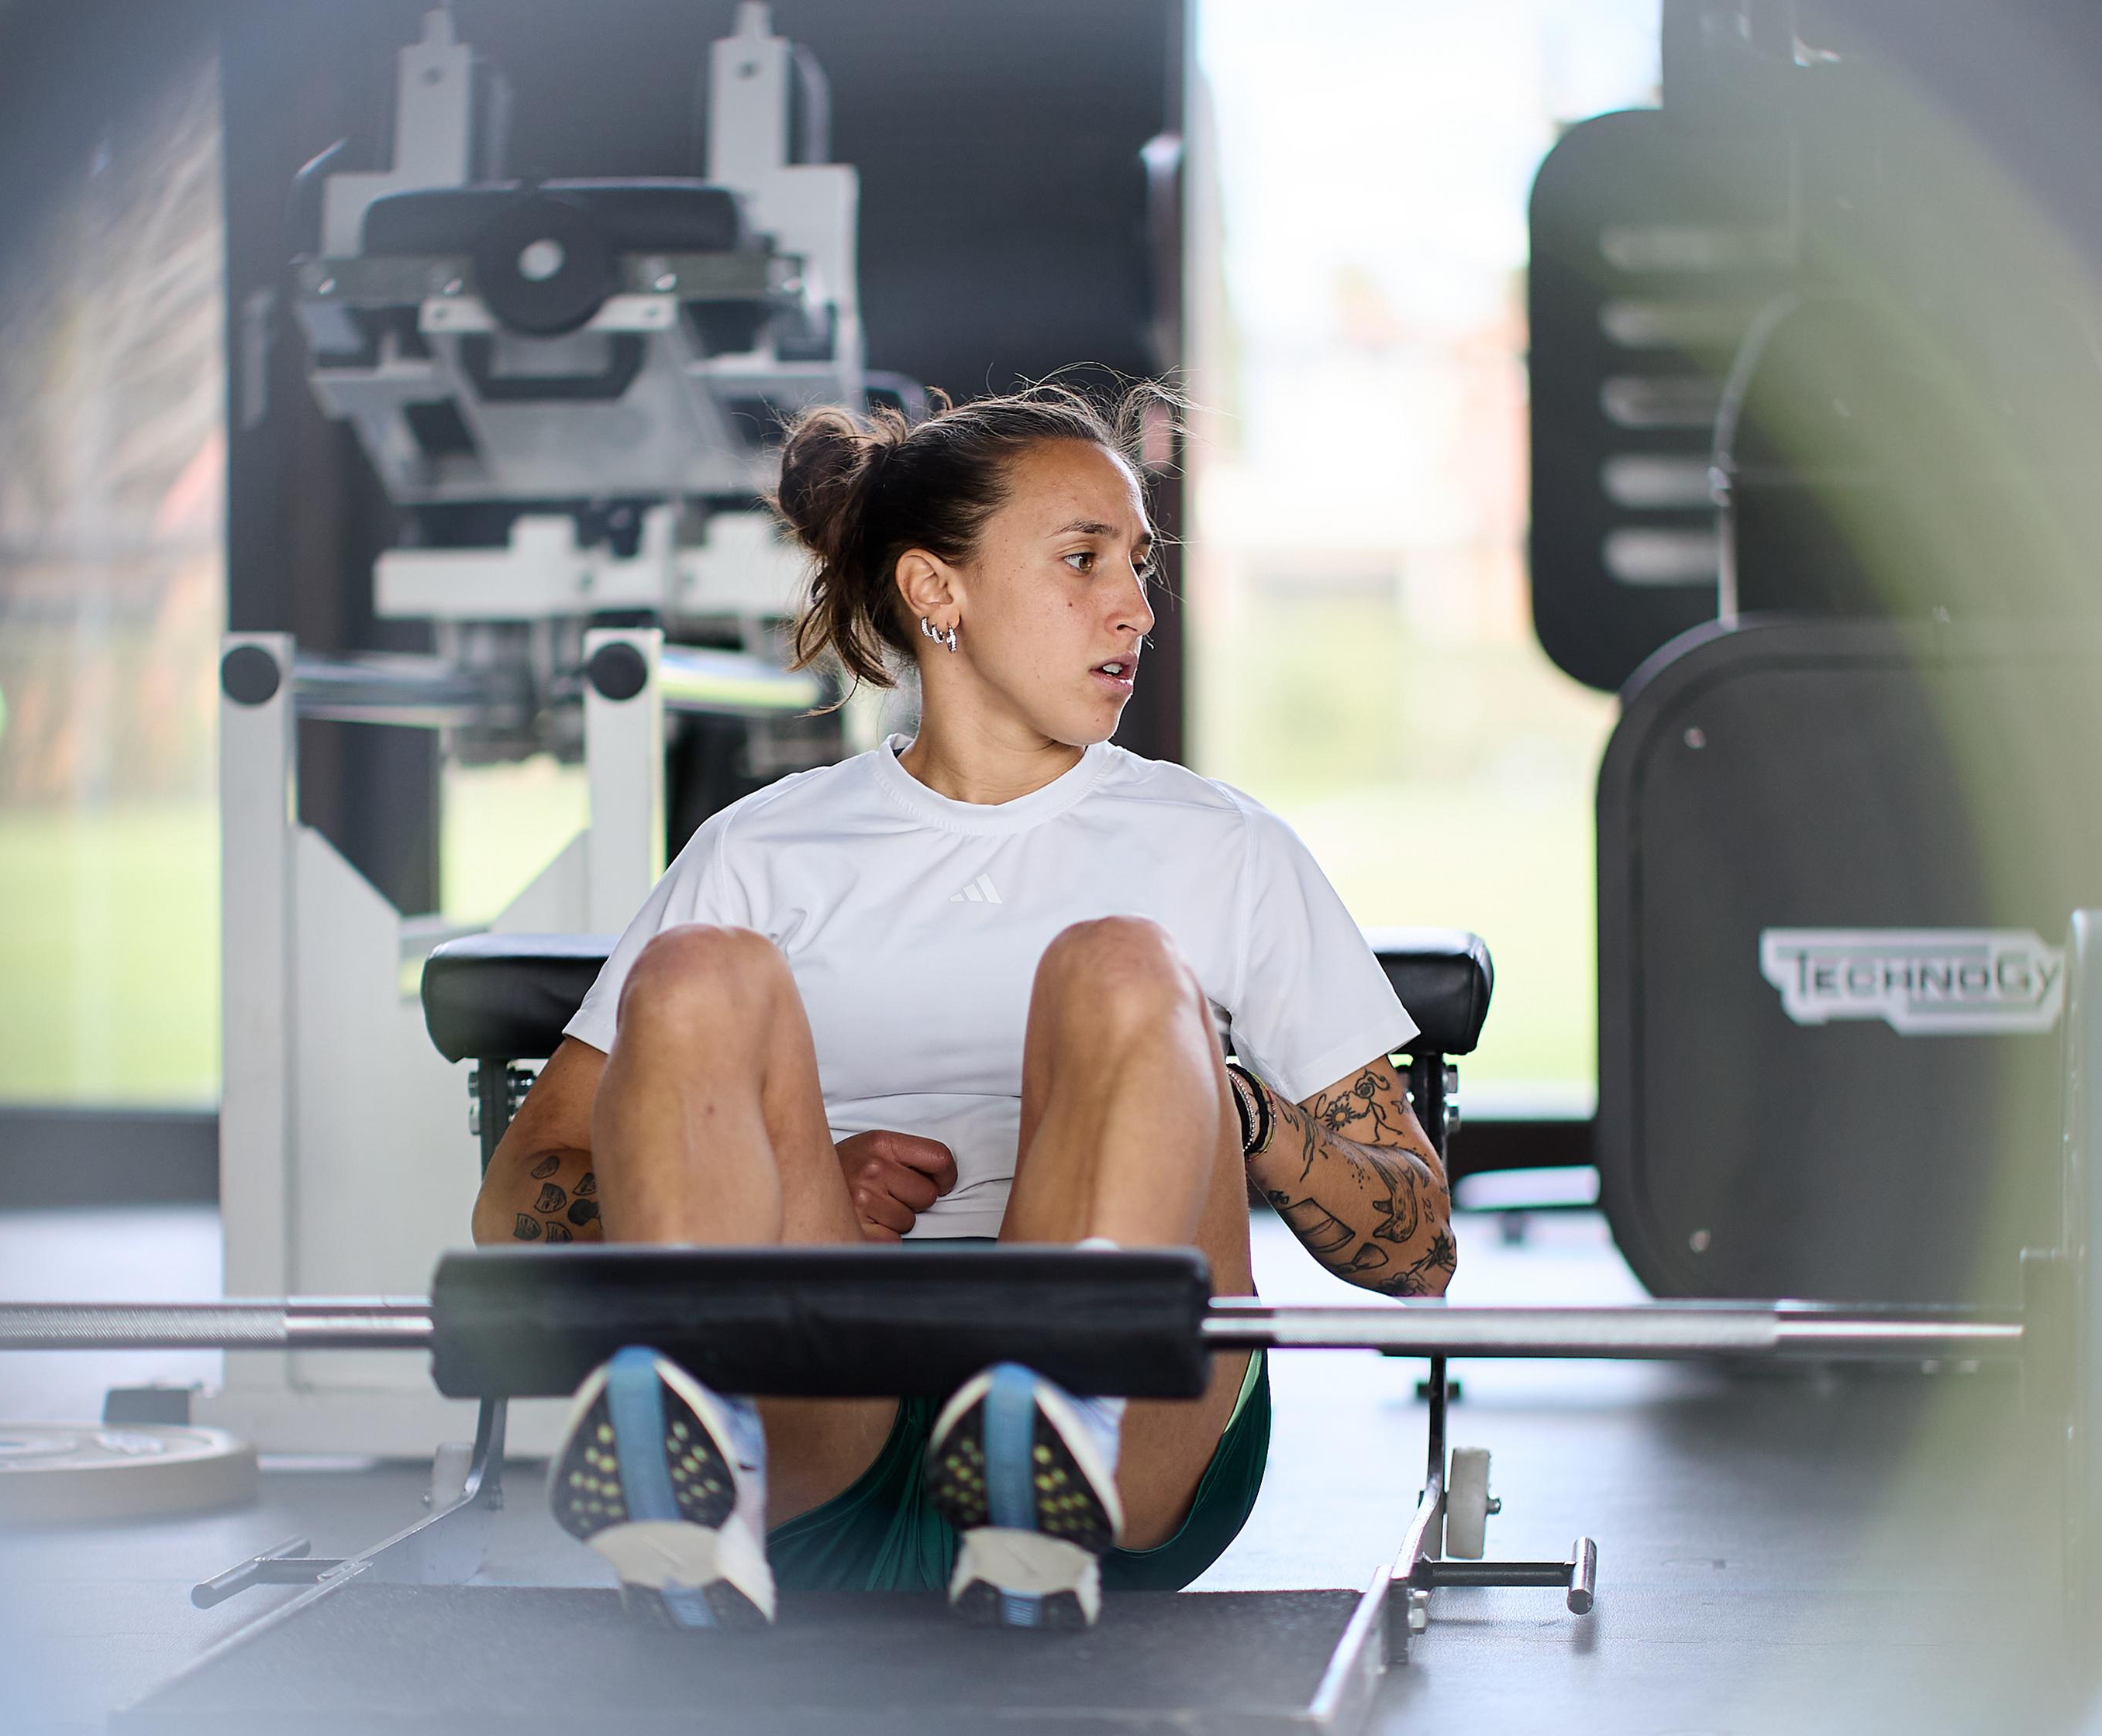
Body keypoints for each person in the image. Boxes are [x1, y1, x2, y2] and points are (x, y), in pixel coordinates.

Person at [471, 380, 1456, 1630]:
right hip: (822, 1401)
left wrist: (1237, 1110)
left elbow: (1421, 1248)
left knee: (1119, 965)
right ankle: (693, 1450)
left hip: (1140, 1434)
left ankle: (1048, 1443)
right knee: (696, 970)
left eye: (1140, 567)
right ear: (939, 592)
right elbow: (517, 1205)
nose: (1137, 608)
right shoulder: (763, 850)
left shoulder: (1224, 847)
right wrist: (786, 1176)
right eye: (1084, 560)